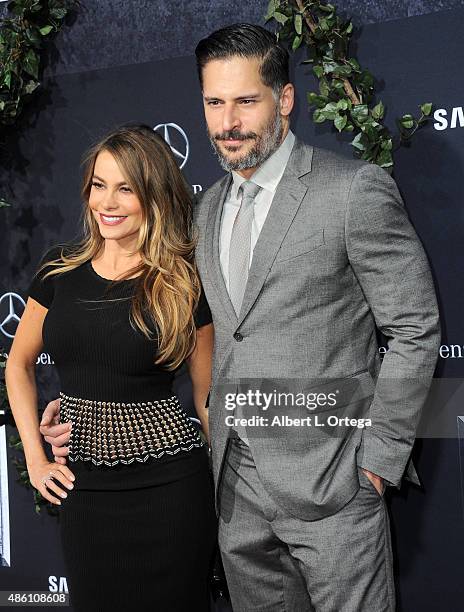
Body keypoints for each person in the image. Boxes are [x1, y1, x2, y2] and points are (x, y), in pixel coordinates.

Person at [41, 24, 441, 612]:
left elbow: (414, 328)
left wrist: (377, 463)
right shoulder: (201, 214)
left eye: (246, 101)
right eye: (214, 102)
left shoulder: (352, 191)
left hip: (334, 487)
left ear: (284, 100)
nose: (227, 122)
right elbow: (153, 333)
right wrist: (77, 407)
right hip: (233, 495)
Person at [5, 124, 217, 612]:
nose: (108, 202)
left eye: (126, 188)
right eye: (99, 185)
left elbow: (208, 400)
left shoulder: (181, 283)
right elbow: (17, 364)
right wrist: (36, 460)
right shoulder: (59, 270)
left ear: (154, 197)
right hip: (85, 487)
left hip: (172, 491)